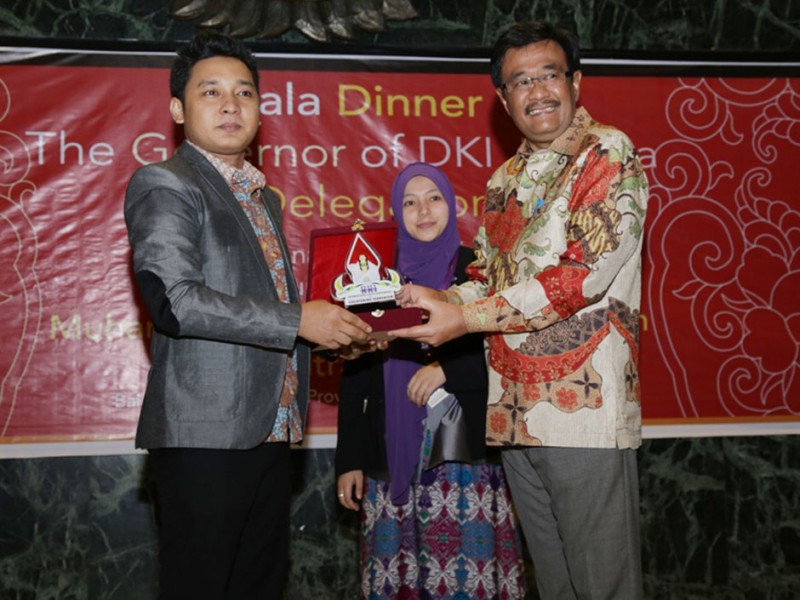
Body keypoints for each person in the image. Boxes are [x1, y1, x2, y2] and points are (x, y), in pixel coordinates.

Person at [391, 22, 649, 599]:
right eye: (520, 81)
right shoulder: (502, 180)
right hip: (511, 412)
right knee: (554, 585)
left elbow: (581, 277)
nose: (537, 91)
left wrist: (465, 318)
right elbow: (485, 277)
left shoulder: (606, 151)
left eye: (549, 75)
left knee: (602, 586)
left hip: (581, 410)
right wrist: (438, 300)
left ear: (575, 82)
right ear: (503, 99)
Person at [124, 31, 374, 599]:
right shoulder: (166, 183)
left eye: (244, 92)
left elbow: (268, 309)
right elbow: (175, 302)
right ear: (177, 110)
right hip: (205, 432)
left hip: (273, 428)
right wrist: (297, 321)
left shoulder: (265, 199)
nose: (231, 105)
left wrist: (337, 334)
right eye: (210, 92)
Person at [335, 162, 526, 599]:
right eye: (410, 202)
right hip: (390, 455)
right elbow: (356, 372)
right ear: (396, 212)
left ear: (451, 204)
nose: (423, 211)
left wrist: (447, 370)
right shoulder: (376, 279)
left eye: (434, 198)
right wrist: (349, 459)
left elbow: (509, 349)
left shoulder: (479, 270)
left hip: (464, 458)